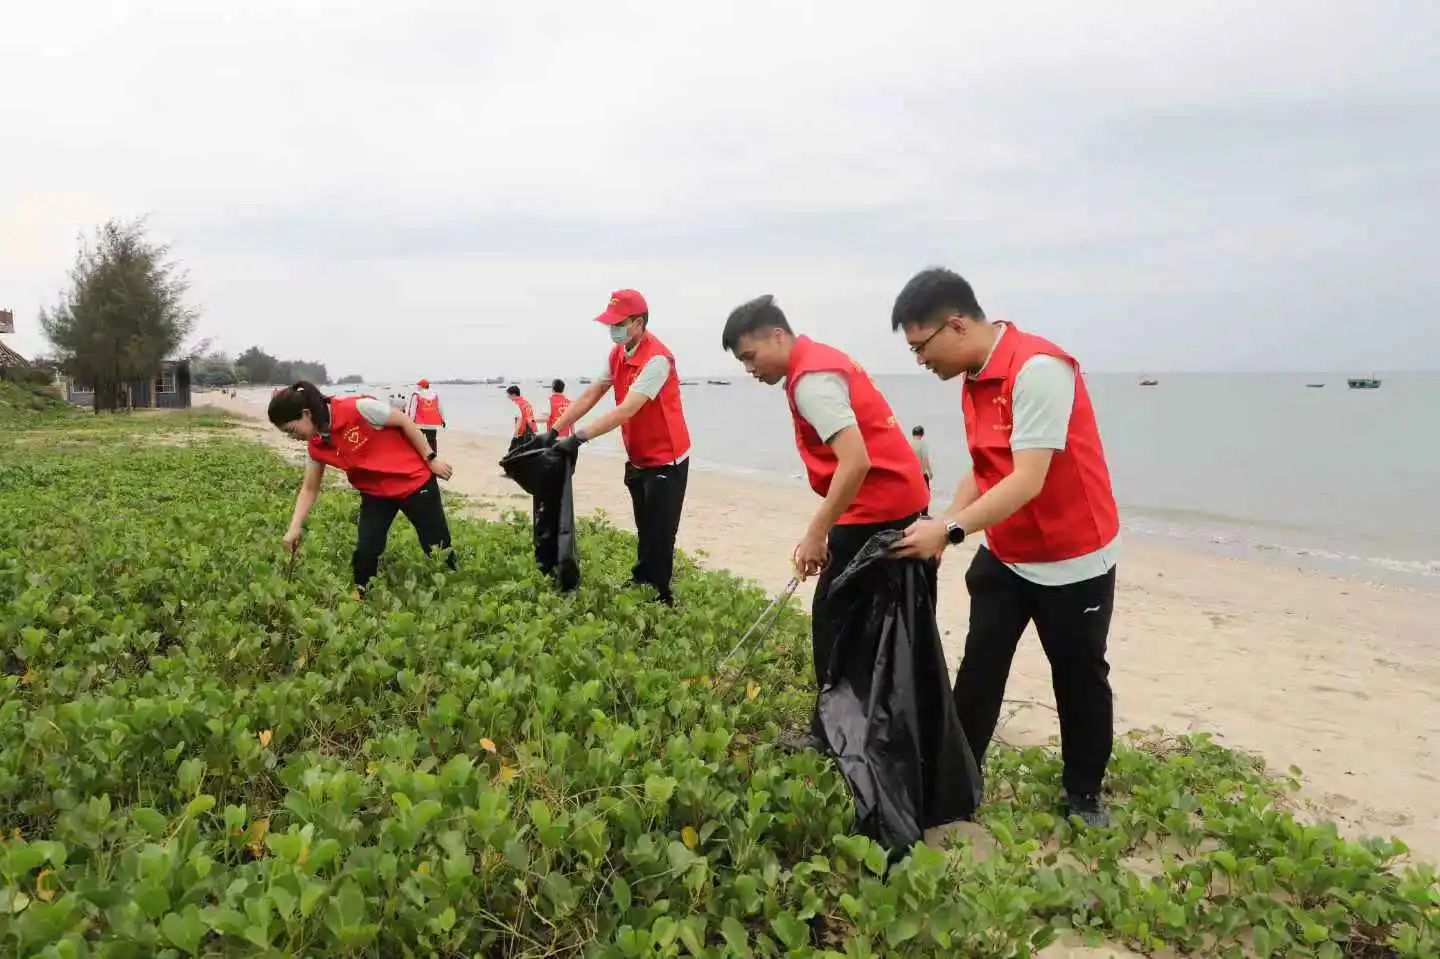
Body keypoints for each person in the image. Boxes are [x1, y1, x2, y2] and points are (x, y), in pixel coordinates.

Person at [889, 268, 1120, 827]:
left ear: (956, 325)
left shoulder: (1037, 370)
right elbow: (986, 467)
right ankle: (957, 783)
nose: (920, 360)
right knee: (980, 668)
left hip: (1072, 557)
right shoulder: (974, 377)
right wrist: (947, 521)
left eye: (921, 347)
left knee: (1079, 677)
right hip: (1007, 553)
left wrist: (951, 531)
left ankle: (1083, 794)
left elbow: (1026, 480)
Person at [721, 295, 930, 749]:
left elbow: (855, 461)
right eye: (742, 363)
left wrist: (817, 534)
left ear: (778, 336)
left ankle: (830, 735)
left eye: (751, 356)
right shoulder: (820, 361)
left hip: (877, 511)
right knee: (876, 624)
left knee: (834, 621)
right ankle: (872, 726)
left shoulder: (811, 380)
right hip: (895, 505)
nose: (749, 369)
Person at [551, 288, 691, 605]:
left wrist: (579, 437)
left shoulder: (657, 359)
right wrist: (556, 430)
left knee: (660, 532)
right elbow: (592, 394)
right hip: (639, 456)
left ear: (638, 323)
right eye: (611, 323)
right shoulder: (618, 354)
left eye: (619, 323)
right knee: (644, 525)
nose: (613, 329)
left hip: (667, 459)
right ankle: (642, 579)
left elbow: (626, 409)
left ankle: (661, 596)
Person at [268, 381, 457, 594]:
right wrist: (294, 528)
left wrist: (431, 459)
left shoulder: (358, 408)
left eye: (291, 430)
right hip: (375, 493)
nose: (292, 437)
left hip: (413, 481)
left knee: (437, 544)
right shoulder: (316, 445)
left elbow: (404, 420)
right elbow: (309, 489)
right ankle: (362, 593)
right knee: (366, 549)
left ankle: (454, 584)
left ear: (306, 413)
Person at [407, 378, 446, 455]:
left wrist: (410, 422)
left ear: (421, 386)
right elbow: (440, 409)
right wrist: (443, 420)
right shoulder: (435, 395)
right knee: (432, 441)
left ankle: (419, 456)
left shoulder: (416, 395)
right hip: (432, 424)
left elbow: (412, 410)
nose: (417, 387)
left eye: (418, 386)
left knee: (417, 441)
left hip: (419, 424)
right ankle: (433, 457)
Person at [506, 385, 537, 451]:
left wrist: (515, 434)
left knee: (513, 452)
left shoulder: (516, 404)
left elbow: (519, 419)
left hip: (522, 433)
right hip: (531, 431)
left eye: (509, 395)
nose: (508, 397)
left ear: (513, 395)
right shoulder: (526, 403)